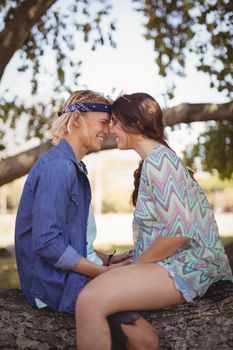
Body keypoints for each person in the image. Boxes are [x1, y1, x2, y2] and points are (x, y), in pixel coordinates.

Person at [76, 92, 233, 350]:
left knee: (89, 300)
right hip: (179, 263)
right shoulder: (156, 160)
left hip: (190, 268)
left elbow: (178, 233)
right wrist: (134, 257)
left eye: (115, 121)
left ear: (134, 123)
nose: (111, 129)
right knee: (97, 288)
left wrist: (138, 263)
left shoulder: (159, 162)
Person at [14, 89, 133, 314]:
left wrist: (107, 260)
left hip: (68, 277)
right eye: (103, 123)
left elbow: (72, 239)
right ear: (77, 118)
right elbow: (48, 243)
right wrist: (101, 273)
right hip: (56, 285)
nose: (107, 131)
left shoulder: (73, 166)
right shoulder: (59, 167)